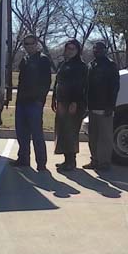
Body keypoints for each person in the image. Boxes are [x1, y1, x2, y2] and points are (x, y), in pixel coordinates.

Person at [12, 34, 52, 171]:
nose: (28, 46)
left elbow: (46, 82)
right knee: (21, 133)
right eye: (26, 44)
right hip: (21, 102)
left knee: (37, 134)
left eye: (31, 43)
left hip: (34, 103)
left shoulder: (43, 60)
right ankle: (23, 159)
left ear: (36, 44)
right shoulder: (24, 60)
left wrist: (40, 100)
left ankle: (41, 163)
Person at [85, 41, 120, 171]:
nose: (97, 51)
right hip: (92, 106)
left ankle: (105, 162)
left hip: (105, 107)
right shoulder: (91, 65)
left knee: (105, 137)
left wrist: (110, 106)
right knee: (93, 136)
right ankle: (95, 160)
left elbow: (114, 87)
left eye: (100, 49)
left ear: (105, 50)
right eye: (95, 48)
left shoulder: (110, 65)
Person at [53, 39, 87, 172]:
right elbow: (58, 82)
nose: (70, 51)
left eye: (73, 49)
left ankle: (71, 161)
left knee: (71, 131)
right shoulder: (63, 64)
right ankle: (66, 159)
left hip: (73, 103)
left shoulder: (81, 66)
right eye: (68, 48)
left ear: (78, 50)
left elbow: (81, 86)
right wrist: (54, 98)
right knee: (62, 131)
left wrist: (75, 102)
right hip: (62, 101)